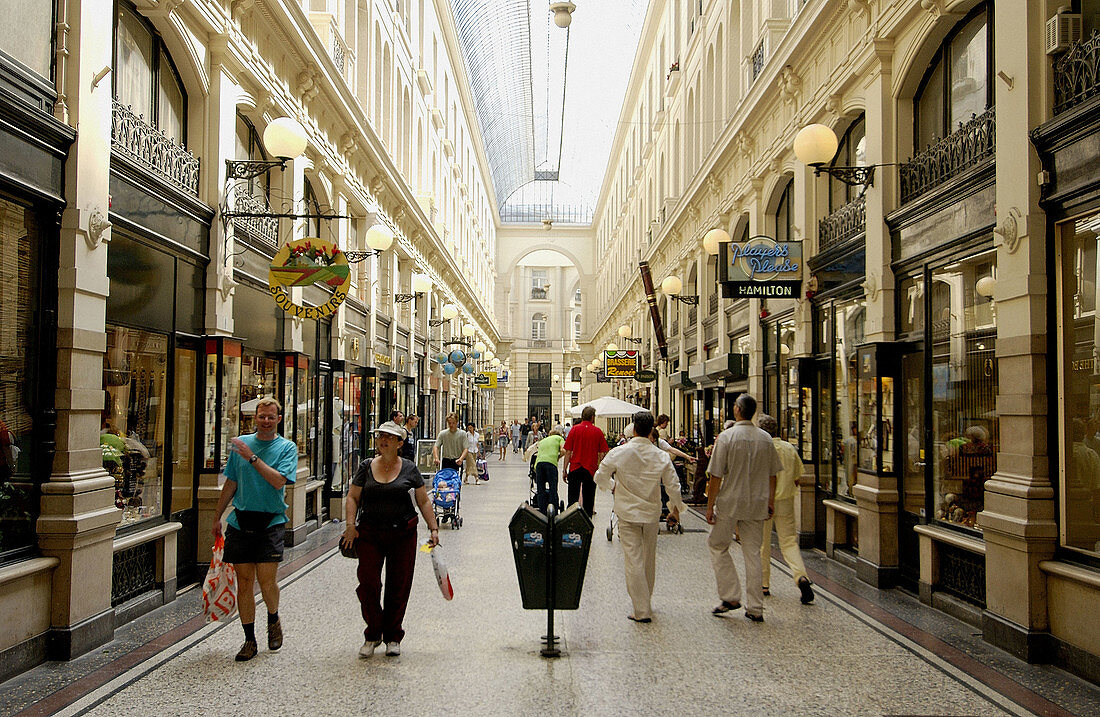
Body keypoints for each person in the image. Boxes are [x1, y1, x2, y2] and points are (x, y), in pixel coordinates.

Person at [341, 421, 440, 658]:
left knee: (399, 584)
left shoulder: (409, 468)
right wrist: (350, 526)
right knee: (368, 583)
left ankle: (393, 635)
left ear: (399, 443)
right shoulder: (365, 467)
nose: (383, 440)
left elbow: (423, 501)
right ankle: (373, 632)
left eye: (389, 437)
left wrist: (433, 528)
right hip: (370, 532)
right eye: (380, 436)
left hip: (402, 533)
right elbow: (353, 497)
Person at [211, 398, 299, 661]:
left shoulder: (287, 448)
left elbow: (277, 481)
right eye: (261, 416)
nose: (266, 421)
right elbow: (231, 483)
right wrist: (217, 517)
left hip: (271, 521)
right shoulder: (241, 444)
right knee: (245, 582)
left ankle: (273, 618)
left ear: (278, 420)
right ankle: (249, 639)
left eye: (271, 417)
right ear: (255, 418)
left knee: (266, 579)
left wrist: (252, 458)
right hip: (241, 521)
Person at [593, 411, 684, 623]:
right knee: (648, 559)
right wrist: (676, 509)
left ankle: (641, 608)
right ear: (652, 429)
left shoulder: (620, 452)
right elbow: (673, 485)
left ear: (634, 429)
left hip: (626, 512)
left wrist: (614, 486)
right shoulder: (660, 455)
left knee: (633, 559)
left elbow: (600, 476)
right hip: (651, 513)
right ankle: (646, 602)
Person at [705, 394, 779, 622]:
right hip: (756, 502)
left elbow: (716, 476)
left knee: (717, 545)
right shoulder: (766, 439)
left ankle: (730, 596)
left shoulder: (726, 437)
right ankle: (756, 607)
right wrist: (770, 502)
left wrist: (710, 506)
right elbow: (772, 474)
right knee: (753, 553)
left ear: (737, 410)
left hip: (730, 502)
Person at [756, 414, 814, 605]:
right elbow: (798, 478)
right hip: (786, 501)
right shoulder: (790, 449)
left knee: (763, 544)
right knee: (788, 542)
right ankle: (800, 576)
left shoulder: (761, 449)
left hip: (764, 501)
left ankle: (764, 584)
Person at [561, 406, 609, 517]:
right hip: (590, 469)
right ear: (592, 417)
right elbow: (603, 454)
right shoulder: (597, 432)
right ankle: (587, 523)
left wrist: (564, 469)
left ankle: (571, 521)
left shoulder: (574, 429)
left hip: (575, 468)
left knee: (572, 500)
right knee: (589, 500)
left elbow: (568, 452)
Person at [524, 425, 566, 513]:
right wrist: (558, 457)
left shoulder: (543, 441)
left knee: (540, 489)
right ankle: (553, 510)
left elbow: (532, 451)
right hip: (551, 464)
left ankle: (542, 512)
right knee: (553, 488)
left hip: (538, 465)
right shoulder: (559, 439)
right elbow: (563, 450)